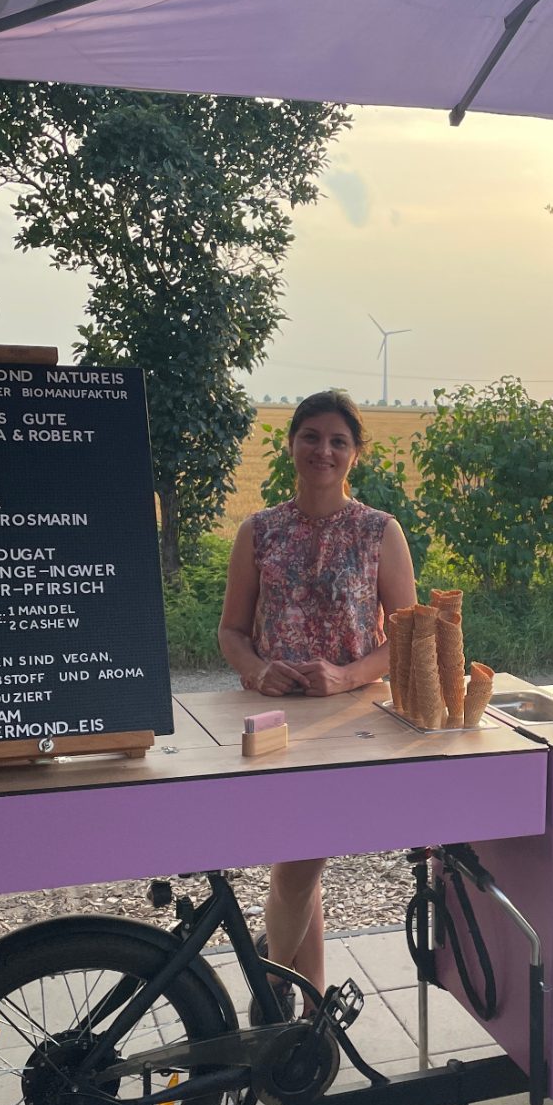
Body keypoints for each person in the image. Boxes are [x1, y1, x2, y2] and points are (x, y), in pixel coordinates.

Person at [218, 390, 417, 1008]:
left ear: (355, 453)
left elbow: (407, 640)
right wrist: (257, 671)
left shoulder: (380, 532)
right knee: (302, 857)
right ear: (291, 443)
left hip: (352, 720)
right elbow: (231, 631)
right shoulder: (259, 531)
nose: (322, 450)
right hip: (273, 721)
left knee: (303, 858)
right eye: (311, 436)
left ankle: (273, 982)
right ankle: (312, 1005)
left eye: (337, 440)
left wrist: (348, 675)